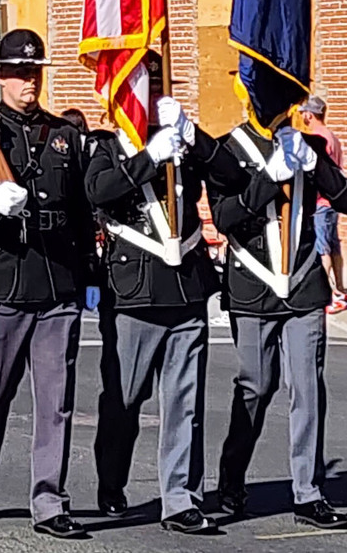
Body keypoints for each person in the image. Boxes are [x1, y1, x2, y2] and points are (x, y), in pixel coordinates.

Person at [0, 28, 93, 540]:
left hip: (56, 282)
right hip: (0, 283)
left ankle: (49, 501)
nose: (30, 81)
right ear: (1, 77)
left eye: (35, 72)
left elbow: (81, 210)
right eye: (20, 73)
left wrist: (88, 274)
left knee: (56, 399)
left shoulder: (63, 135)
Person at [86, 95, 244, 536]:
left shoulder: (182, 143)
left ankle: (181, 499)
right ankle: (111, 481)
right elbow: (98, 191)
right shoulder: (108, 147)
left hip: (186, 286)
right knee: (125, 399)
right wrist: (147, 159)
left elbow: (233, 176)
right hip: (134, 290)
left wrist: (195, 137)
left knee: (185, 403)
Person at [209, 110, 347, 529]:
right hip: (253, 283)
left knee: (307, 388)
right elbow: (223, 218)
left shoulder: (307, 146)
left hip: (303, 282)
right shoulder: (227, 148)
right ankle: (232, 476)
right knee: (257, 386)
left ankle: (308, 492)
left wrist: (316, 165)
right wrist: (265, 179)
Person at [298, 95, 347, 314]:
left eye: (303, 113)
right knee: (334, 245)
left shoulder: (317, 139)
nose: (302, 116)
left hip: (321, 201)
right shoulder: (332, 137)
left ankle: (329, 293)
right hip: (333, 202)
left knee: (323, 249)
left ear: (310, 115)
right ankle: (340, 289)